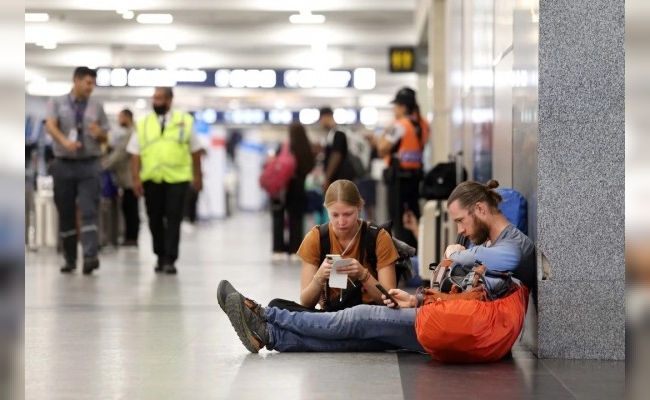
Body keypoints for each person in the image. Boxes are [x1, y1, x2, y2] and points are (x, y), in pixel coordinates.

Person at [219, 179, 535, 353]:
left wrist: (457, 255)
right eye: (335, 216)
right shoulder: (486, 243)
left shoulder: (514, 244)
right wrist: (415, 299)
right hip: (458, 321)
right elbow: (463, 296)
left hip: (473, 329)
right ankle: (270, 335)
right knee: (362, 338)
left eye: (461, 221)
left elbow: (501, 263)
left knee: (360, 317)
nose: (461, 231)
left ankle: (263, 314)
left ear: (479, 209)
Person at [264, 179, 399, 312]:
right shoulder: (316, 237)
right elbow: (305, 302)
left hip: (369, 315)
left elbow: (389, 300)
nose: (341, 222)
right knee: (276, 305)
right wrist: (320, 276)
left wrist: (363, 274)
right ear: (326, 210)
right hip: (332, 315)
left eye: (348, 214)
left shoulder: (378, 237)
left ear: (359, 207)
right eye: (334, 215)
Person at [127, 87, 204, 274]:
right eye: (154, 98)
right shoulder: (144, 123)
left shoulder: (184, 121)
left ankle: (170, 258)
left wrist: (198, 175)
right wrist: (136, 179)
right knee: (154, 219)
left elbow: (195, 151)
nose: (156, 102)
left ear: (170, 100)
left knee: (174, 219)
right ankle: (159, 255)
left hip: (178, 179)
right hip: (152, 179)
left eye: (160, 98)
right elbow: (135, 153)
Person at [45, 66, 110, 274]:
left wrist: (99, 132)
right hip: (63, 163)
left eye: (93, 84)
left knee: (89, 210)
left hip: (89, 164)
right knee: (66, 213)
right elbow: (50, 125)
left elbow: (106, 137)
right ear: (76, 80)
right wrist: (65, 142)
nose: (91, 87)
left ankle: (90, 257)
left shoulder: (97, 106)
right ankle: (69, 258)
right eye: (88, 83)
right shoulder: (57, 102)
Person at [375, 87, 430, 249]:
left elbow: (382, 148)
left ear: (403, 107)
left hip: (398, 180)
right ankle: (417, 250)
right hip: (415, 177)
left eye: (396, 106)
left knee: (398, 220)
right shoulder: (423, 125)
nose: (394, 110)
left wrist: (384, 131)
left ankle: (400, 252)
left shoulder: (400, 126)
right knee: (413, 216)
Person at [271, 122, 316, 263]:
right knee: (296, 219)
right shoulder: (306, 148)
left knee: (278, 218)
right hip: (299, 187)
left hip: (283, 188)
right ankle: (294, 250)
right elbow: (310, 167)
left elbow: (275, 165)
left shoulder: (285, 147)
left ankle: (278, 250)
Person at [102, 109, 140, 247]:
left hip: (130, 178)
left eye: (120, 117)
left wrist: (104, 165)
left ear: (127, 118)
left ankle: (131, 238)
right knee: (128, 207)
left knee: (130, 208)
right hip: (126, 178)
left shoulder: (131, 134)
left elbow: (120, 154)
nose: (118, 120)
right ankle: (130, 237)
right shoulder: (130, 133)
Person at [317, 107, 355, 192]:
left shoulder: (338, 133)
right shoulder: (333, 133)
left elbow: (336, 156)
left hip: (340, 178)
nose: (321, 123)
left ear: (326, 117)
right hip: (340, 178)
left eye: (321, 119)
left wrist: (327, 178)